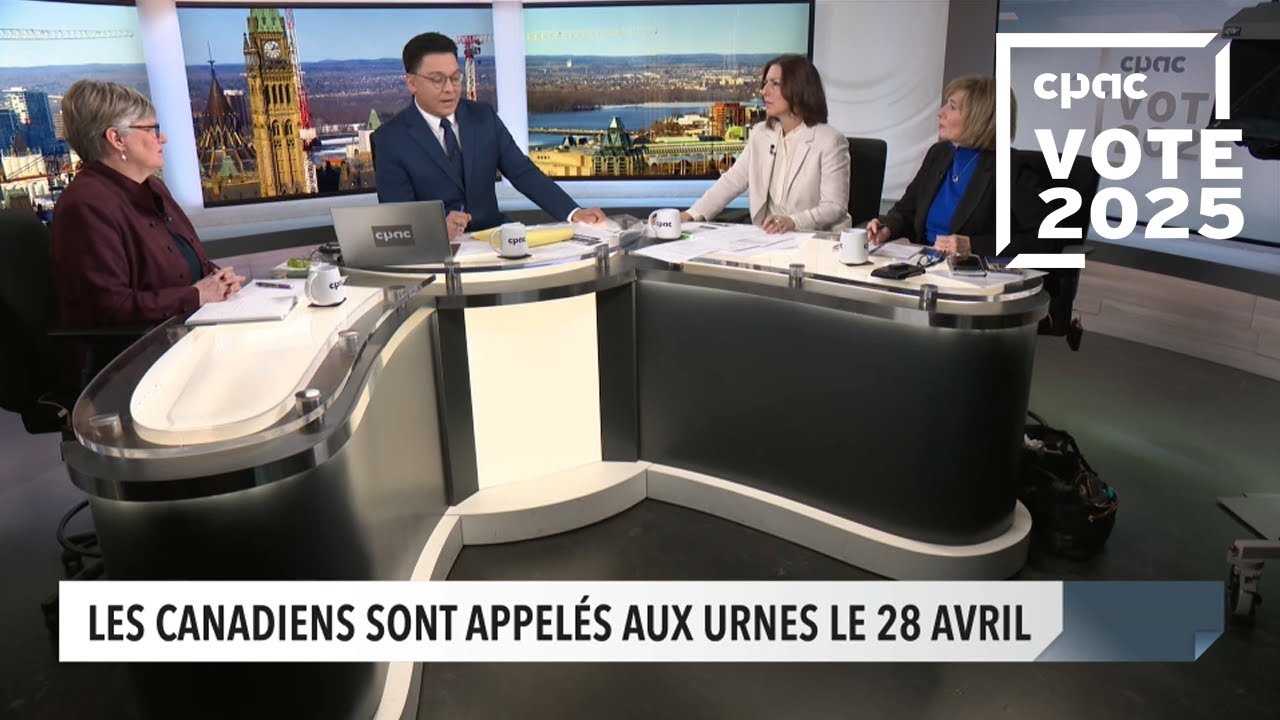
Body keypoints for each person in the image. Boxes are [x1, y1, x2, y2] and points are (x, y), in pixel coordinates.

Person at [374, 32, 606, 239]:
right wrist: (434, 229)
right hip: (436, 253)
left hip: (493, 239)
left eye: (455, 77)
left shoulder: (483, 117)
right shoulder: (390, 139)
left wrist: (573, 212)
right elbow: (398, 219)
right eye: (437, 80)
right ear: (412, 83)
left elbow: (522, 172)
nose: (450, 89)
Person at [51, 80, 243, 328]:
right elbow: (109, 307)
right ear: (117, 138)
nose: (162, 138)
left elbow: (187, 268)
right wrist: (196, 295)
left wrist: (218, 280)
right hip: (142, 347)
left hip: (187, 330)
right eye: (152, 129)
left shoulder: (152, 186)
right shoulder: (85, 206)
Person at [866, 75, 1049, 256]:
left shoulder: (1010, 166)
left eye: (952, 107)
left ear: (979, 118)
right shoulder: (939, 153)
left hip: (973, 269)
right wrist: (888, 227)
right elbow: (907, 210)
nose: (941, 112)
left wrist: (973, 246)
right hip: (925, 263)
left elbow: (1046, 237)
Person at [682, 54, 851, 233]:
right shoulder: (761, 133)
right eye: (765, 83)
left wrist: (793, 222)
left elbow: (834, 206)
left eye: (775, 84)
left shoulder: (830, 140)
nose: (764, 91)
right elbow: (732, 181)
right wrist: (691, 214)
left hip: (813, 238)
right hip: (768, 237)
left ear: (799, 89)